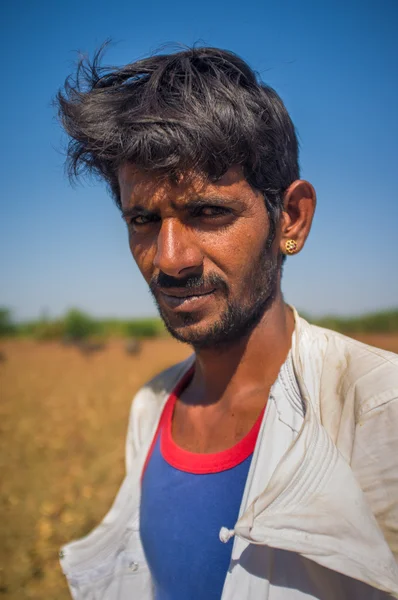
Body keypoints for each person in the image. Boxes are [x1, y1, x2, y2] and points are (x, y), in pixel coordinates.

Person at [56, 46, 398, 599]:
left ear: (290, 218)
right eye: (143, 219)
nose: (169, 258)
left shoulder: (381, 410)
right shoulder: (151, 407)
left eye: (208, 212)